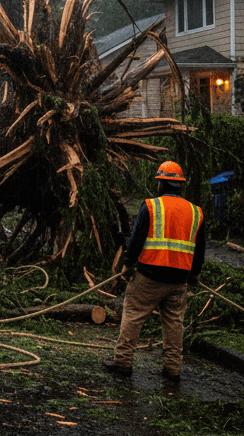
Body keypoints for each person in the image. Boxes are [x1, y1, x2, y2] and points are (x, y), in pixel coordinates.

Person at [103, 161, 206, 383]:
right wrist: (194, 276)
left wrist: (128, 266)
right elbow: (199, 250)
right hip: (179, 281)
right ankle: (172, 368)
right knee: (174, 323)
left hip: (149, 276)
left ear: (160, 183)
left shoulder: (151, 206)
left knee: (132, 315)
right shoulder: (196, 212)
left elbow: (136, 238)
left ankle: (122, 362)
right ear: (179, 185)